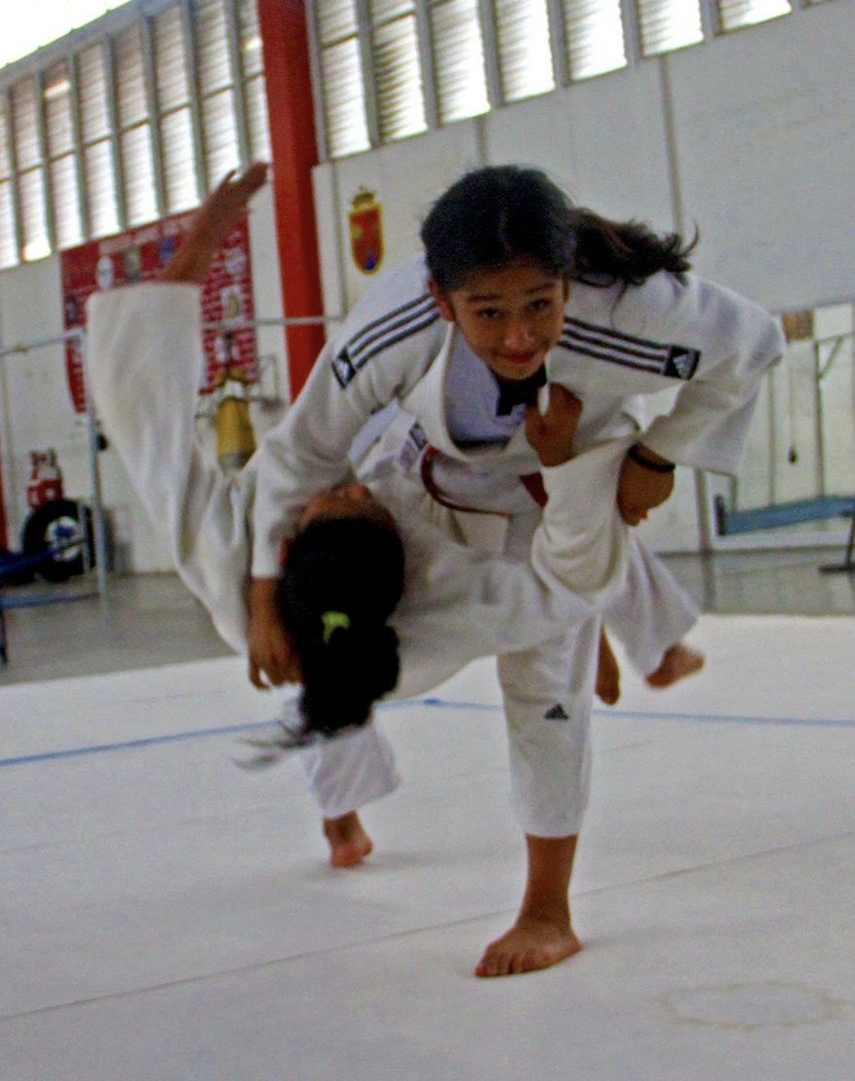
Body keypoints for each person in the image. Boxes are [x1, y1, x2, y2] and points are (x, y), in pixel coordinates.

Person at [86, 165, 638, 979]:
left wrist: (204, 236)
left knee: (354, 668)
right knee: (542, 647)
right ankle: (506, 892)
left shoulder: (242, 572)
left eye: (331, 497)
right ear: (402, 548)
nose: (345, 486)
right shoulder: (448, 590)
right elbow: (566, 579)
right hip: (408, 600)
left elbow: (144, 413)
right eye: (355, 498)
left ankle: (395, 843)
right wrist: (585, 629)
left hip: (321, 611)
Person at [245, 164, 785, 977]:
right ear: (442, 300)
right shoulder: (396, 319)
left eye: (540, 303)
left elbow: (758, 345)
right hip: (416, 490)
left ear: (569, 280)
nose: (517, 337)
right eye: (486, 313)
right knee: (336, 641)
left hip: (551, 493)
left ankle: (547, 911)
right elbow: (300, 449)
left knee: (545, 690)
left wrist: (658, 454)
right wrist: (261, 597)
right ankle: (341, 806)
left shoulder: (643, 313)